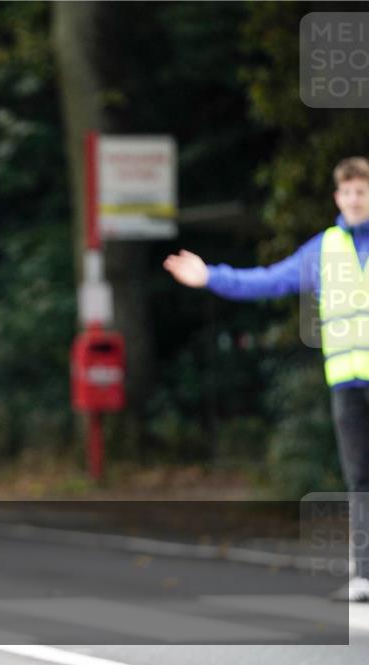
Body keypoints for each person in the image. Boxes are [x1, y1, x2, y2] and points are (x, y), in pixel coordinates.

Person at [163, 156, 369, 602]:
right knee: (360, 478)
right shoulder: (324, 249)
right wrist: (211, 276)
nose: (354, 199)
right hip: (347, 382)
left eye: (362, 191)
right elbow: (267, 281)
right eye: (348, 192)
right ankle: (366, 573)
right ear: (337, 197)